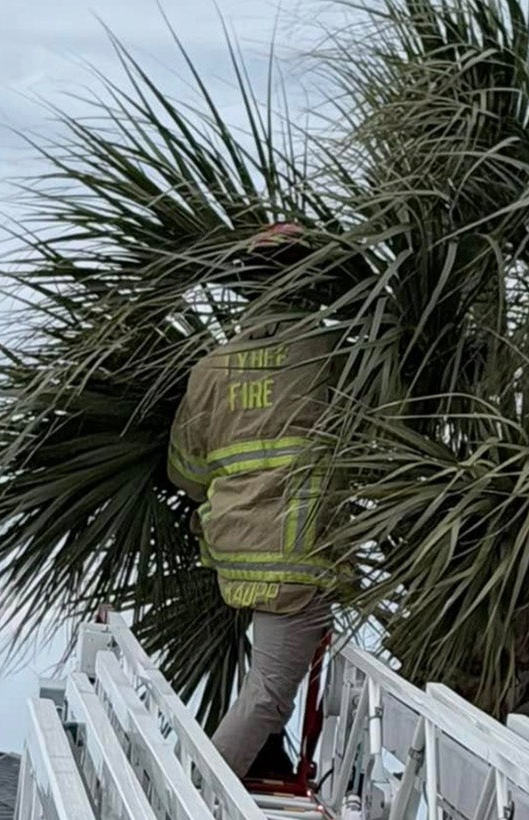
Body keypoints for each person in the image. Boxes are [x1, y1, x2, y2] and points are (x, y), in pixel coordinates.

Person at [165, 223, 341, 779]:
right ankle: (195, 796)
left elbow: (186, 472)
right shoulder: (332, 353)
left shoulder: (212, 368)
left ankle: (264, 759)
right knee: (267, 693)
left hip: (233, 549)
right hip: (298, 555)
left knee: (267, 677)